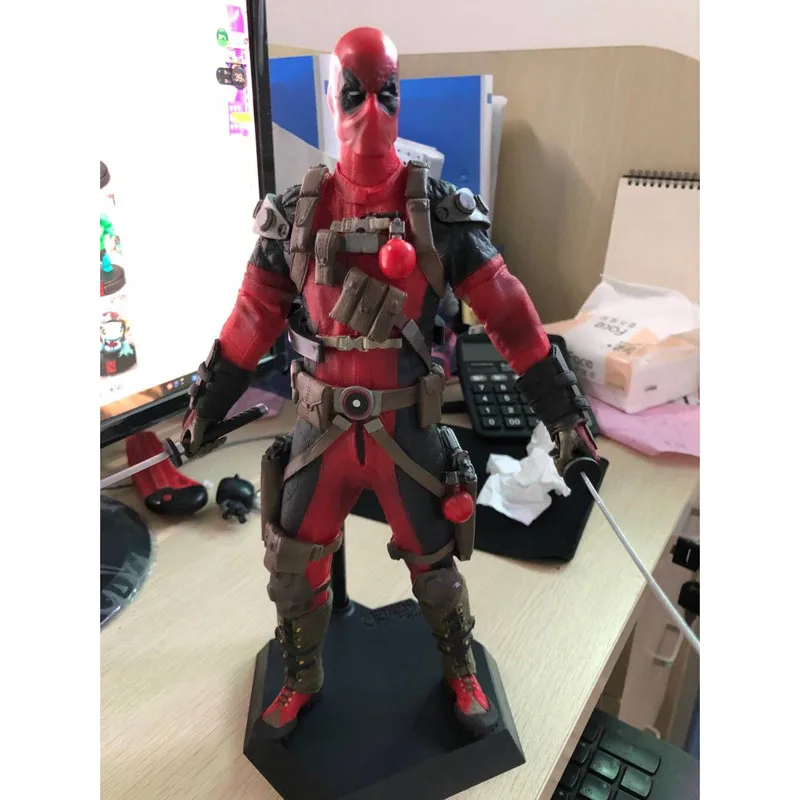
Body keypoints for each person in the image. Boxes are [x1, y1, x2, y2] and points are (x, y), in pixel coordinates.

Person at [182, 26, 597, 740]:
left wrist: (566, 414)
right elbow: (251, 319)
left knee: (436, 570)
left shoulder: (439, 215)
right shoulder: (294, 217)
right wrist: (205, 408)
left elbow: (510, 316)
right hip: (320, 434)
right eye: (354, 93)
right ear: (332, 99)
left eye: (386, 92)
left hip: (407, 433)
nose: (370, 110)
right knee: (293, 566)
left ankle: (460, 671)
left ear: (401, 99)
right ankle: (302, 678)